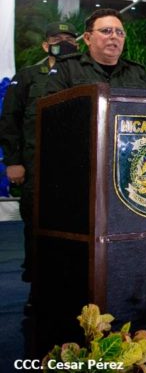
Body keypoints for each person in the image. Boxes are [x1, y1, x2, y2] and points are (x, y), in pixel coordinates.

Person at [0, 22, 79, 286]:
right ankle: (37, 281)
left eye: (70, 38)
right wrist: (13, 162)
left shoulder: (86, 73)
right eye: (58, 38)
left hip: (75, 167)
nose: (65, 42)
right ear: (46, 45)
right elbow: (10, 120)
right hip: (36, 166)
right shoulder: (28, 76)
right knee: (35, 223)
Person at [46, 8, 146, 93]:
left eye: (119, 32)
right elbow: (51, 110)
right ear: (88, 38)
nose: (114, 36)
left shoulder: (137, 72)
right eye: (106, 31)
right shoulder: (67, 67)